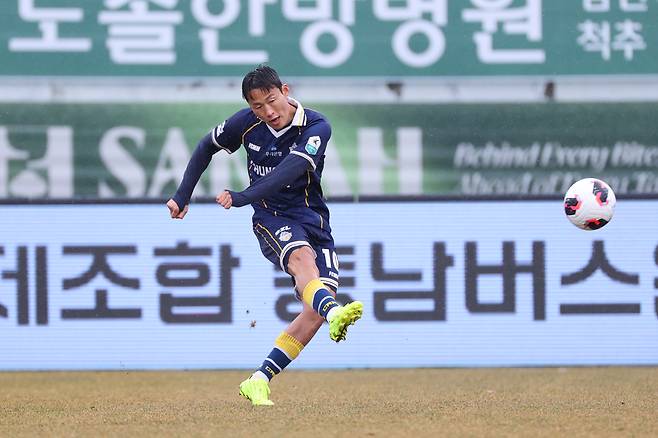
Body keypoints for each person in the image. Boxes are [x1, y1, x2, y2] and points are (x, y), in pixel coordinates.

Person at [166, 65, 363, 406]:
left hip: (314, 219)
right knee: (302, 262)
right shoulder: (245, 123)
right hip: (271, 217)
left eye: (271, 101)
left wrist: (244, 195)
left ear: (285, 91)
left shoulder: (316, 126)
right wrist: (183, 195)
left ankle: (258, 380)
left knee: (313, 311)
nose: (267, 111)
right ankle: (334, 312)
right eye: (257, 106)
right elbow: (205, 146)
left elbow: (290, 169)